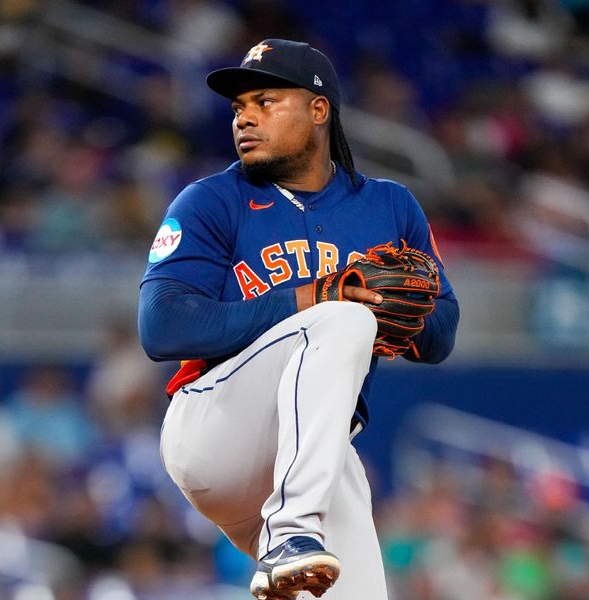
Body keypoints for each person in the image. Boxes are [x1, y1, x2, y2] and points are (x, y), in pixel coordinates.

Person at [138, 39, 459, 600]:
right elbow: (161, 327)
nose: (245, 117)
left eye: (265, 101)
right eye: (240, 107)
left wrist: (396, 310)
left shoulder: (389, 206)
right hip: (218, 430)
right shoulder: (210, 200)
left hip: (313, 459)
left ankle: (292, 540)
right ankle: (290, 535)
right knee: (341, 320)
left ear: (318, 110)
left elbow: (441, 335)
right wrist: (313, 298)